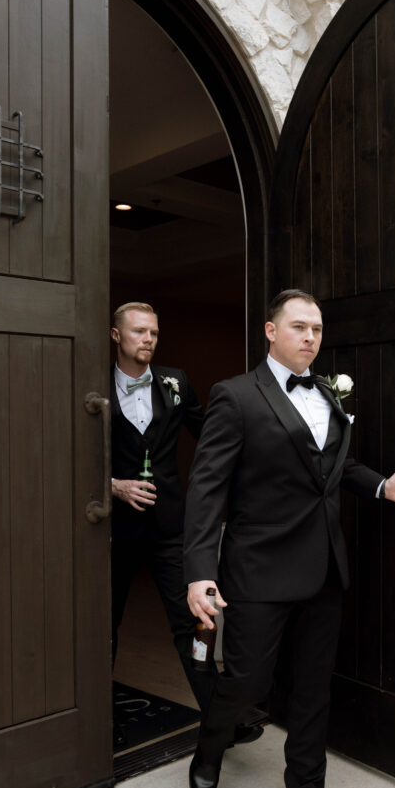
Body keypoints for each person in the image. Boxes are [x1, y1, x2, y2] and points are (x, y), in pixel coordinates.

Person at [183, 289, 395, 788]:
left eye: (316, 328)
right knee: (247, 683)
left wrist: (381, 486)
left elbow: (334, 470)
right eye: (298, 327)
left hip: (322, 569)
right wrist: (198, 571)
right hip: (258, 569)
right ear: (271, 332)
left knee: (314, 693)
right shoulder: (235, 397)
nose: (311, 337)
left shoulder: (329, 396)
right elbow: (205, 488)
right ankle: (210, 749)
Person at [110, 302, 264, 749]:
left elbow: (212, 435)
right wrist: (113, 485)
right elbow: (68, 449)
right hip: (112, 531)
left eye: (154, 333)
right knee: (106, 624)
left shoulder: (175, 382)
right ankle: (96, 723)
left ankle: (221, 720)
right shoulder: (91, 385)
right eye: (139, 332)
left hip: (169, 527)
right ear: (116, 336)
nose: (149, 340)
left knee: (194, 624)